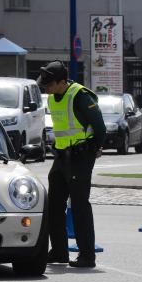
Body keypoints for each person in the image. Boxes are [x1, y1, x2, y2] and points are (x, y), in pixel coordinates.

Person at [37, 61, 105, 269]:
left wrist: (94, 149)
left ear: (62, 82)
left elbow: (99, 126)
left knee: (79, 206)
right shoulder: (53, 99)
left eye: (49, 85)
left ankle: (87, 256)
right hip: (61, 157)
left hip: (80, 157)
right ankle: (59, 251)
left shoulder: (80, 96)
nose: (46, 89)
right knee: (54, 205)